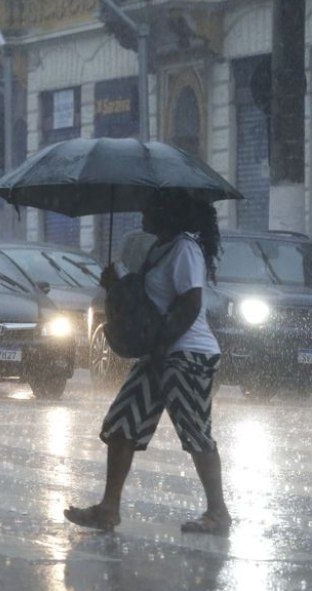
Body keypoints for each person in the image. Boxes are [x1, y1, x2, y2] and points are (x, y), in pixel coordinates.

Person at [65, 191, 230, 535]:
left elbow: (190, 303)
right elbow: (147, 301)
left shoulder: (184, 249)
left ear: (168, 212)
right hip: (158, 354)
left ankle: (218, 513)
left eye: (151, 206)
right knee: (122, 424)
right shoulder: (159, 249)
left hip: (187, 355)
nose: (143, 211)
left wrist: (162, 348)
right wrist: (116, 285)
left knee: (195, 431)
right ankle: (108, 509)